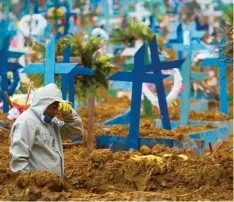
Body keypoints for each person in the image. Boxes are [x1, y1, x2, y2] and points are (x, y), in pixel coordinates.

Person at [9, 83, 83, 178]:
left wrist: (68, 113)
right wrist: (28, 185)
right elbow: (19, 158)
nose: (56, 112)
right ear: (43, 105)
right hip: (38, 189)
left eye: (58, 108)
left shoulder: (52, 123)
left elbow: (75, 131)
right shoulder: (27, 121)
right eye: (53, 107)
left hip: (52, 188)